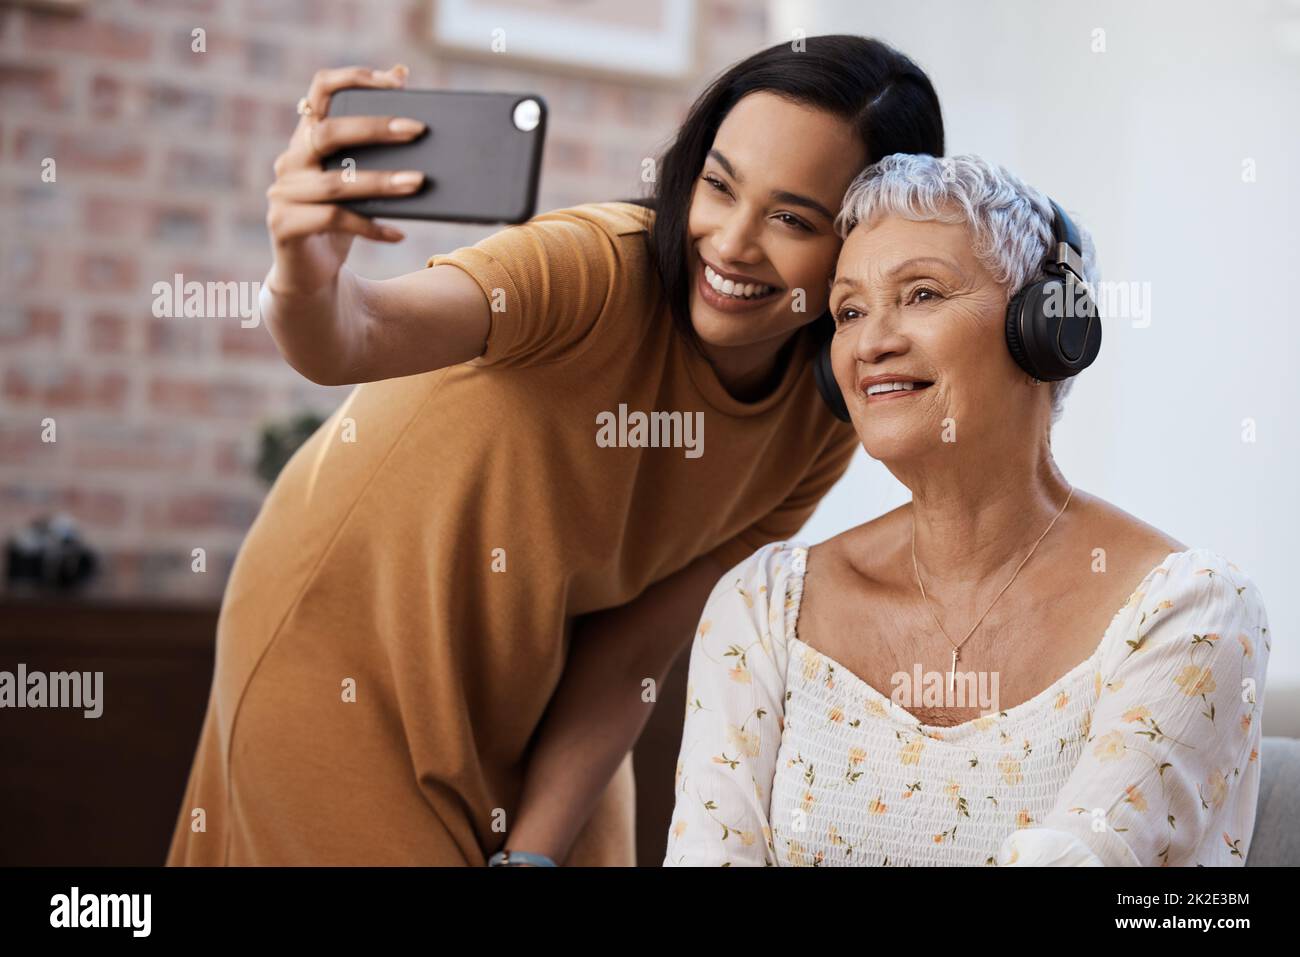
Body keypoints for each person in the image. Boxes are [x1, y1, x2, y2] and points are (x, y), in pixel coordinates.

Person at [165, 36, 947, 866]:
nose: (730, 243)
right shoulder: (594, 268)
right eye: (718, 185)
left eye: (792, 218)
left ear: (861, 243)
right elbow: (352, 337)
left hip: (534, 681)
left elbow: (630, 654)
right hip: (345, 651)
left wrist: (532, 854)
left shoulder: (822, 420)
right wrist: (304, 275)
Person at [663, 154, 1270, 866]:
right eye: (850, 311)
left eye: (921, 294)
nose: (871, 343)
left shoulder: (1191, 613)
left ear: (1048, 328)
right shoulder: (762, 607)